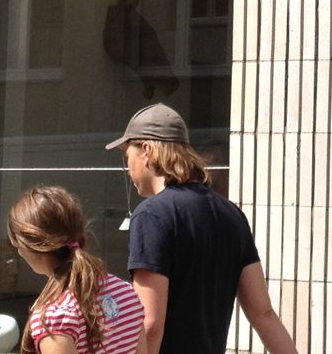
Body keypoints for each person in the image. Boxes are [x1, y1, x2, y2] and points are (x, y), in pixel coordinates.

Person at [106, 103, 296, 354]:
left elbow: (150, 324)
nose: (128, 169)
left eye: (127, 156)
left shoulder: (151, 215)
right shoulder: (232, 214)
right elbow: (264, 313)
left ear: (146, 150)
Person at [8, 186, 146, 354]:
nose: (19, 252)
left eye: (16, 244)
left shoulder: (54, 318)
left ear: (30, 246)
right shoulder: (126, 292)